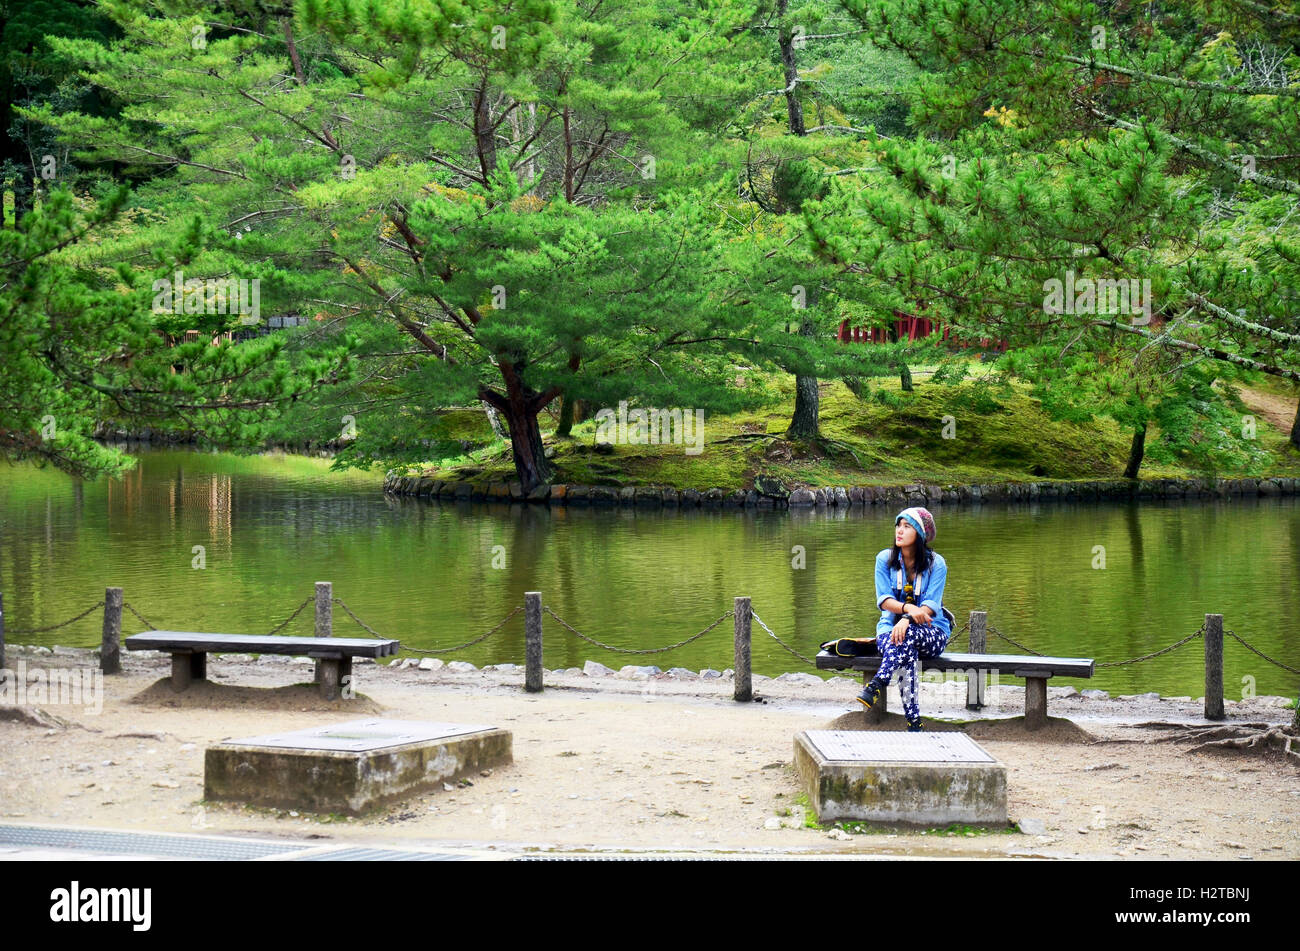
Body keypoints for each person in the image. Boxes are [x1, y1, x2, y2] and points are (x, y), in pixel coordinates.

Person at [857, 506, 952, 731]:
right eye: (898, 525)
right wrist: (908, 610)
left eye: (907, 526)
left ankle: (878, 683)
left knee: (905, 636)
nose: (899, 531)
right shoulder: (884, 559)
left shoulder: (937, 564)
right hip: (890, 630)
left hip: (932, 632)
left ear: (919, 534)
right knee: (904, 648)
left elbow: (930, 606)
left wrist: (906, 619)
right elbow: (884, 600)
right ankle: (914, 723)